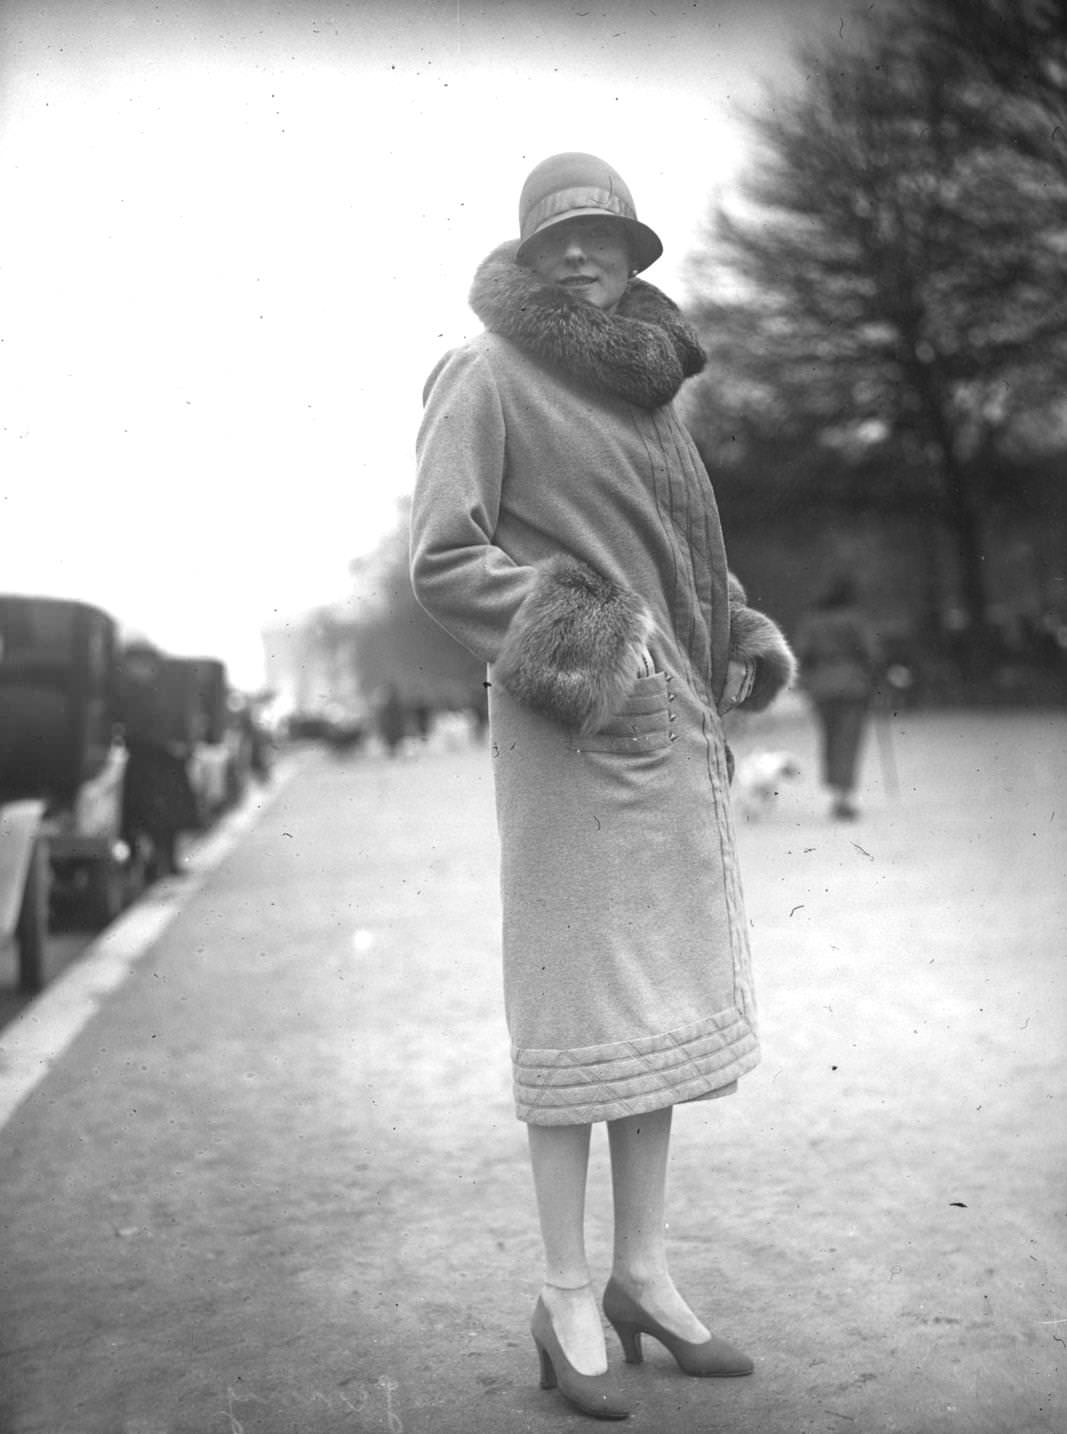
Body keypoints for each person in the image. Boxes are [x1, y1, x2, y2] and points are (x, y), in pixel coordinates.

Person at [411, 152, 796, 1421]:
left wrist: (735, 630)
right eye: (559, 236)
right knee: (580, 1010)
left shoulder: (652, 401)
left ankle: (640, 1273)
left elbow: (677, 553)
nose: (585, 251)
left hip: (673, 735)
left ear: (634, 256)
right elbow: (443, 560)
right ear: (528, 257)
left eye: (606, 234)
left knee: (657, 1012)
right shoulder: (483, 374)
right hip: (571, 731)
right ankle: (564, 1289)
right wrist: (595, 647)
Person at [793, 575, 883, 820]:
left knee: (830, 737)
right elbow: (872, 652)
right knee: (849, 739)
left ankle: (835, 791)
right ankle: (844, 796)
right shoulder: (855, 619)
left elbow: (801, 654)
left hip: (821, 686)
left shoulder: (812, 620)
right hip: (852, 684)